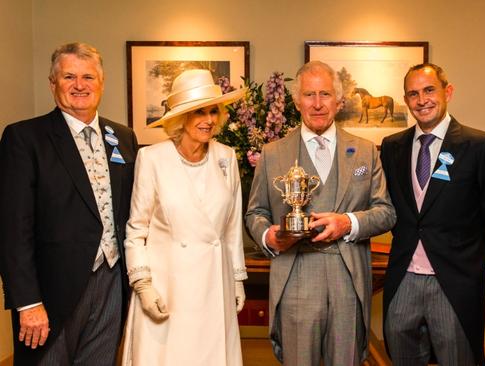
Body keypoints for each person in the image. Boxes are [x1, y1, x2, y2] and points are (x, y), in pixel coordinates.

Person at [245, 61, 395, 366]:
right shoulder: (272, 154)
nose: (316, 104)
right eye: (309, 94)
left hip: (348, 277)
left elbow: (386, 212)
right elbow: (255, 213)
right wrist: (268, 235)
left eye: (325, 94)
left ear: (339, 101)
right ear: (297, 100)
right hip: (295, 275)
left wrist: (347, 223)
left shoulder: (365, 151)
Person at [0, 42, 139, 365]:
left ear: (101, 84)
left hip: (112, 281)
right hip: (50, 293)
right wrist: (27, 302)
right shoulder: (25, 138)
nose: (80, 85)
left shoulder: (123, 137)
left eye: (89, 77)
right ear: (53, 84)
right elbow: (12, 229)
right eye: (69, 77)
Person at [121, 69, 247, 365]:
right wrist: (143, 285)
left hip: (214, 286)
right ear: (180, 118)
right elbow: (137, 229)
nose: (210, 120)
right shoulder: (152, 158)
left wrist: (237, 278)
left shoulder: (226, 157)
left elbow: (231, 228)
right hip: (167, 290)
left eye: (214, 111)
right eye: (199, 112)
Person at [380, 63, 485, 366]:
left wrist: (477, 263)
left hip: (455, 281)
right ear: (406, 100)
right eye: (413, 94)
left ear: (448, 91)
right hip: (403, 278)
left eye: (429, 90)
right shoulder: (392, 147)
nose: (422, 100)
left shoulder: (479, 145)